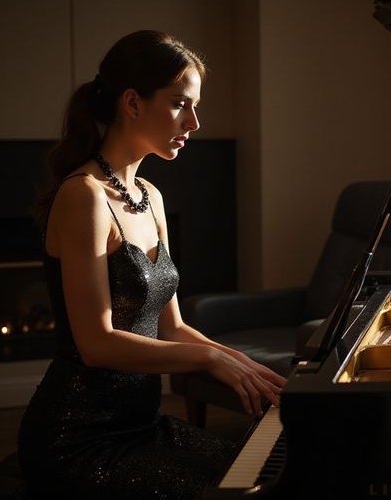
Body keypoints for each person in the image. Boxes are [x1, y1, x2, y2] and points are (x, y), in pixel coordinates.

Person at [17, 30, 287, 499]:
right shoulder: (83, 197)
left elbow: (174, 327)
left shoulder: (151, 197)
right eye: (181, 103)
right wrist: (209, 358)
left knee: (268, 477)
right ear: (132, 103)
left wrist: (250, 369)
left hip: (141, 426)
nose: (195, 122)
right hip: (79, 441)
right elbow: (96, 345)